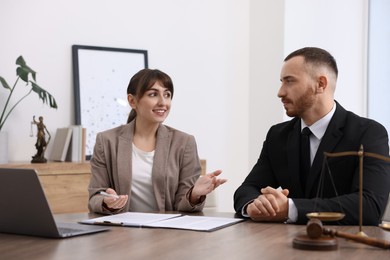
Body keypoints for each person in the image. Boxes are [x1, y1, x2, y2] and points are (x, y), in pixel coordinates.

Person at [234, 47, 390, 225]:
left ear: (321, 84)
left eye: (289, 81)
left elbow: (370, 207)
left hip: (345, 247)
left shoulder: (369, 133)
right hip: (284, 245)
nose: (280, 92)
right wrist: (255, 204)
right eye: (281, 82)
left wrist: (291, 208)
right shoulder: (277, 135)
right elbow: (246, 190)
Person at [88, 68, 226, 214]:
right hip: (122, 232)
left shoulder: (185, 143)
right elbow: (95, 197)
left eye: (167, 95)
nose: (162, 102)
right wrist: (106, 202)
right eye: (153, 94)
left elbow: (183, 207)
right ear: (132, 101)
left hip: (167, 233)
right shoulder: (106, 141)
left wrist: (194, 195)